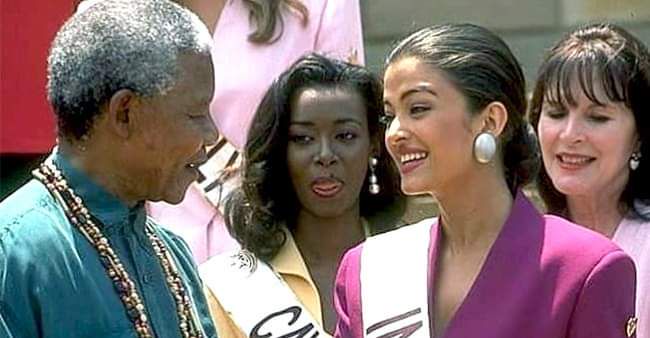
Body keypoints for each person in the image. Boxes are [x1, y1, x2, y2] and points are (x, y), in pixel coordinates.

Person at [333, 23, 637, 338]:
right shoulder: (368, 268)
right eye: (389, 115)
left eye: (418, 108)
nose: (395, 133)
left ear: (491, 120)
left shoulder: (583, 268)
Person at [0, 0, 219, 337]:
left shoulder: (173, 255)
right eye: (195, 114)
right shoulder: (13, 253)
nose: (211, 134)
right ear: (125, 113)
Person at [199, 53, 405, 337]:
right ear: (280, 151)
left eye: (345, 136)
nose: (325, 155)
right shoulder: (226, 285)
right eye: (303, 139)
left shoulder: (414, 265)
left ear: (374, 144)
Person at [148, 0, 365, 263]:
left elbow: (343, 129)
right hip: (151, 251)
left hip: (278, 247)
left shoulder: (323, 6)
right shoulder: (115, 9)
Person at [530, 23, 650, 338]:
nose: (570, 135)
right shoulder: (518, 244)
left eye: (597, 117)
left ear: (639, 136)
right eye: (556, 113)